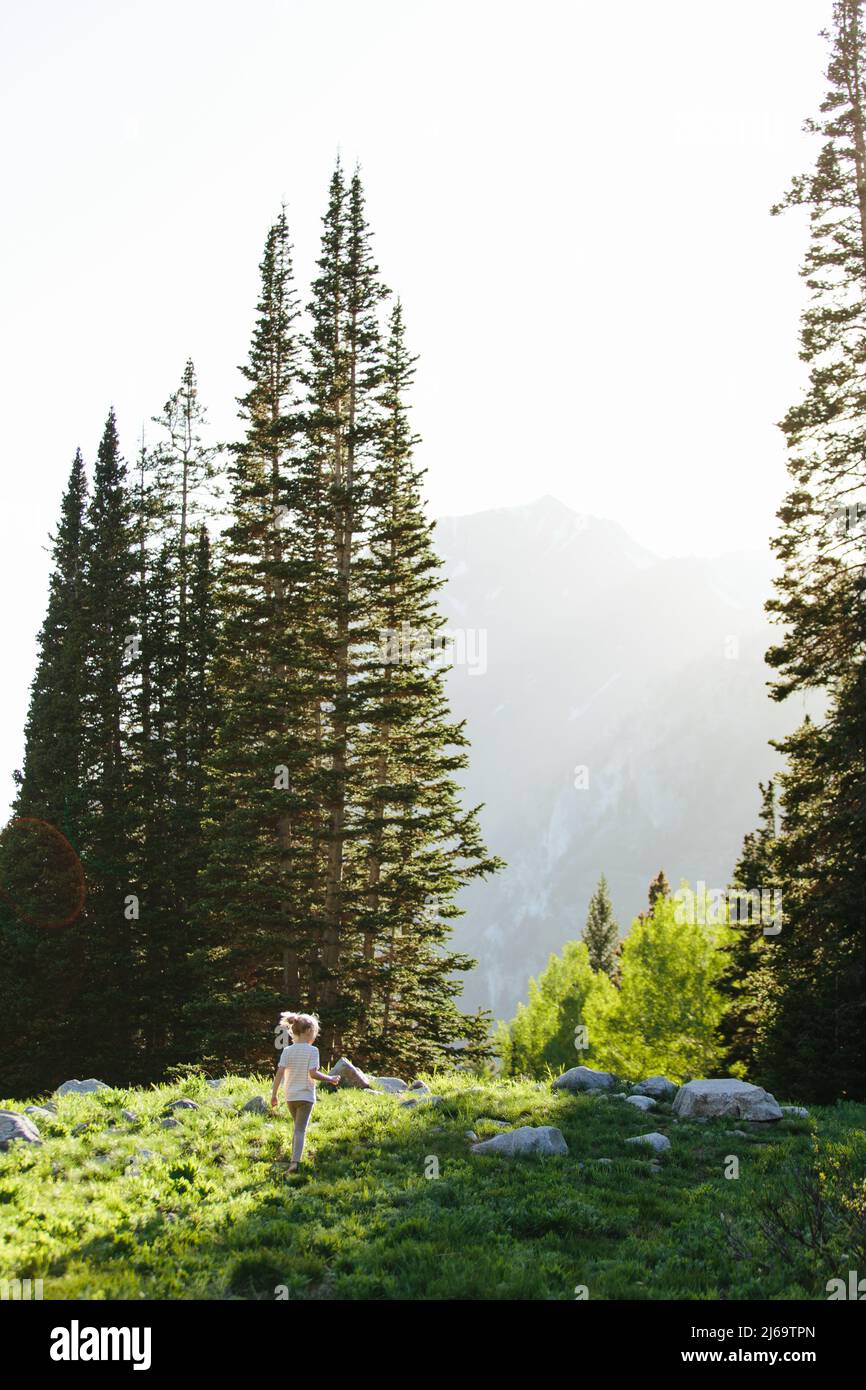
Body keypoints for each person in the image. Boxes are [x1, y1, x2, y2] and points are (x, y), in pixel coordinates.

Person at [270, 1010, 340, 1173]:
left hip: (290, 1096)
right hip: (306, 1096)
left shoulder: (287, 1051)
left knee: (297, 1127)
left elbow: (279, 1073)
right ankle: (295, 1163)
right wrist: (330, 1079)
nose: (315, 1037)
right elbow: (313, 1073)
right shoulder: (312, 1051)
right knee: (300, 1129)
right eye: (315, 1033)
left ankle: (293, 1158)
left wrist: (274, 1095)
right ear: (308, 1032)